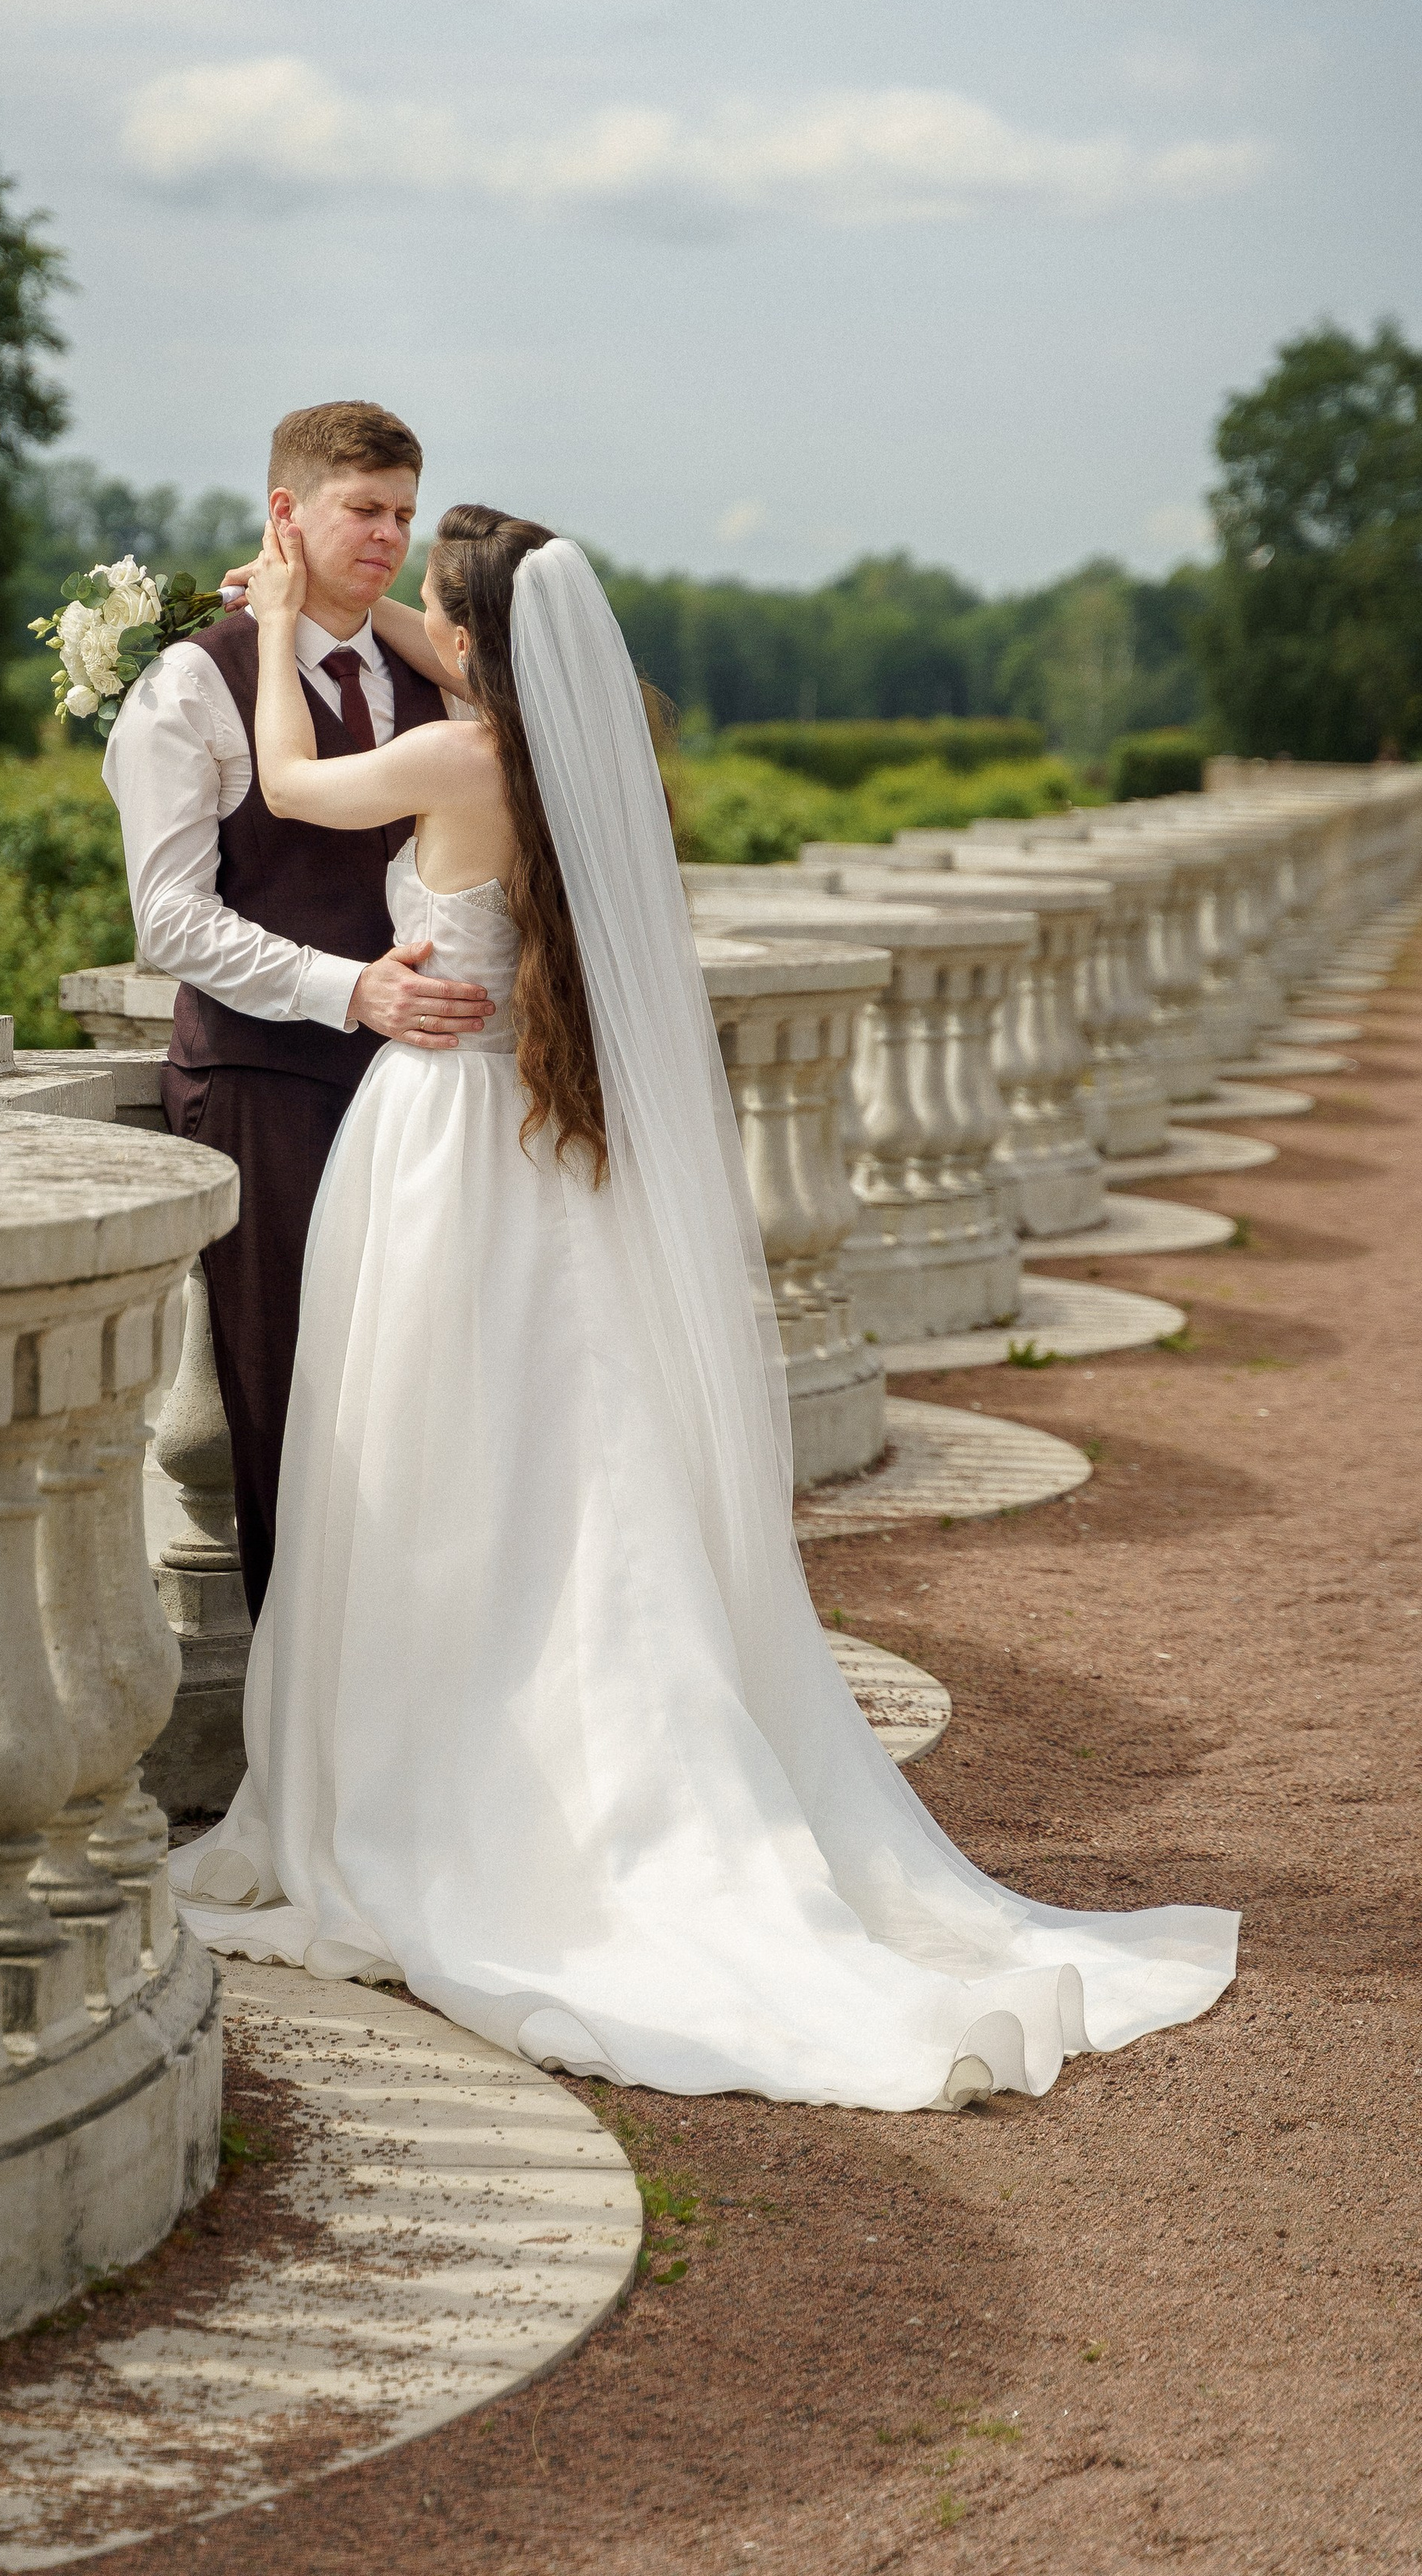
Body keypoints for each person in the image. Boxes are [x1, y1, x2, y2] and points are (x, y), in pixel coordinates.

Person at [171, 503, 1239, 2109]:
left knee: (431, 1461)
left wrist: (267, 623)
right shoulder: (554, 755)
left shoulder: (454, 765)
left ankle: (448, 1778)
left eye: (434, 618)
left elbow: (286, 783)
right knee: (565, 1469)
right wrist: (376, 606)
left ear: (469, 646)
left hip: (434, 1141)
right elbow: (464, 656)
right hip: (540, 1154)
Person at [102, 400, 495, 1621]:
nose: (387, 537)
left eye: (403, 516)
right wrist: (351, 991)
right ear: (287, 514)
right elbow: (170, 919)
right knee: (291, 1423)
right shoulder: (192, 685)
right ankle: (304, 1735)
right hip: (264, 1090)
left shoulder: (426, 673)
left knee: (422, 1417)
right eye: (362, 512)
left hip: (423, 1099)